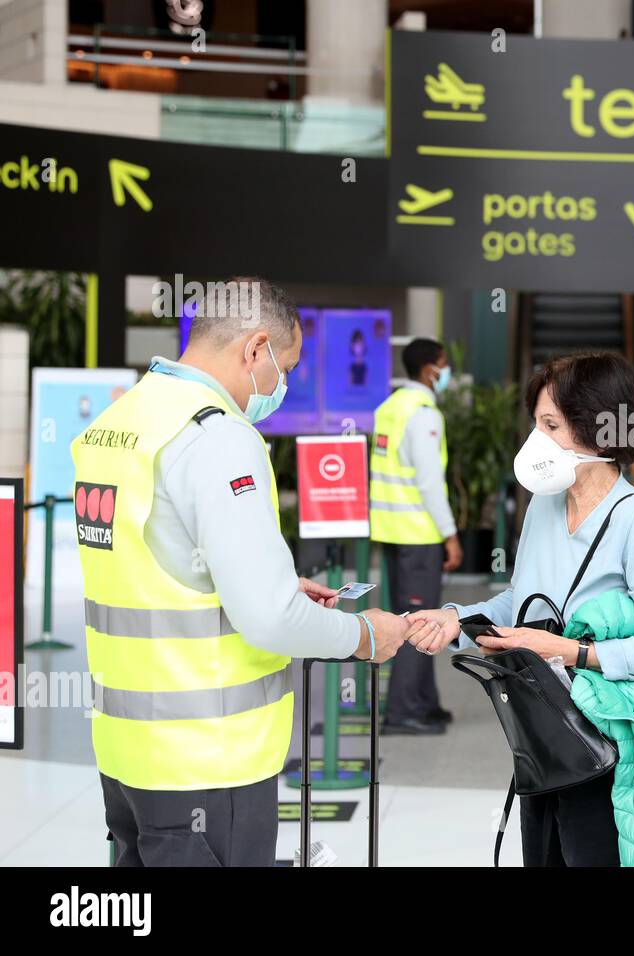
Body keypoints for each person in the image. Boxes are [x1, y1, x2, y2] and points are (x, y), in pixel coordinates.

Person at [71, 278, 424, 867]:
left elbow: (163, 567)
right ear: (255, 349)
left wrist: (268, 585)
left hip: (126, 752)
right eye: (284, 367)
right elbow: (267, 619)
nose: (280, 386)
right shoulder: (217, 436)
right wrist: (366, 636)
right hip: (210, 759)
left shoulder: (122, 421)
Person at [406, 352, 634, 866]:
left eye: (551, 425)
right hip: (542, 734)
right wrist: (455, 618)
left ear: (599, 429)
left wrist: (565, 651)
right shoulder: (543, 505)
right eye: (536, 424)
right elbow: (521, 603)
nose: (536, 441)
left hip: (605, 745)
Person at [370, 338, 463, 735]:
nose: (446, 372)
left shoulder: (389, 407)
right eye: (444, 364)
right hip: (418, 534)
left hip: (392, 532)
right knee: (419, 623)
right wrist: (450, 535)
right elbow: (429, 483)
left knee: (412, 617)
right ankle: (404, 711)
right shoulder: (423, 414)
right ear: (429, 369)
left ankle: (425, 702)